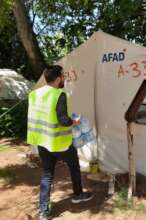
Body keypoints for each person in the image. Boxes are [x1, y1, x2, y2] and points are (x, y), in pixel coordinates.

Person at [27, 65, 93, 220]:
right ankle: (78, 195)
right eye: (63, 76)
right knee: (74, 166)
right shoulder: (59, 94)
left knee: (47, 174)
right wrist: (75, 122)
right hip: (59, 142)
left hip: (42, 141)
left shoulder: (34, 94)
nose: (64, 79)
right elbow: (63, 120)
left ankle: (43, 211)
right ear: (57, 78)